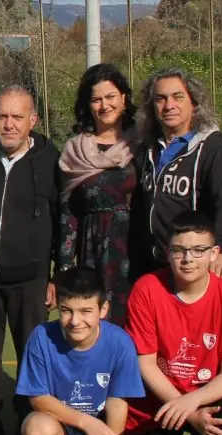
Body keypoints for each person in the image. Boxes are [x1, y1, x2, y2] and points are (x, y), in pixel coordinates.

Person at [125, 211, 222, 435]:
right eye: (179, 250)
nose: (188, 259)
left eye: (198, 250)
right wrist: (188, 414)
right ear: (167, 252)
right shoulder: (147, 289)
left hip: (205, 395)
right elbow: (146, 365)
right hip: (159, 400)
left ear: (214, 253)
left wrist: (192, 401)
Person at [0, 85, 60, 425]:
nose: (9, 124)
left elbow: (64, 220)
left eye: (17, 116)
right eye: (2, 116)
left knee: (34, 366)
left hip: (31, 281)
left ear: (33, 120)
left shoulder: (51, 160)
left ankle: (31, 425)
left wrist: (57, 275)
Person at [129, 67, 222, 282]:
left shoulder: (214, 150)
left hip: (198, 268)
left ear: (194, 102)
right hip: (155, 268)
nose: (169, 105)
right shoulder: (147, 150)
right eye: (160, 99)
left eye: (178, 97)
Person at [15, 266, 145, 435]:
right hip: (59, 423)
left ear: (103, 309)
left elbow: (117, 403)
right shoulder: (41, 337)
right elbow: (39, 399)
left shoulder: (120, 342)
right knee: (37, 426)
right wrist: (86, 422)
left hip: (100, 428)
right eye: (66, 310)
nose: (75, 321)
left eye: (85, 311)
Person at [56, 63, 139, 326]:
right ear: (87, 105)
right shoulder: (74, 151)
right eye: (96, 100)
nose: (104, 105)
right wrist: (64, 268)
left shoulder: (142, 144)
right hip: (92, 254)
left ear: (123, 98)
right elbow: (68, 215)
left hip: (136, 253)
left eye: (110, 96)